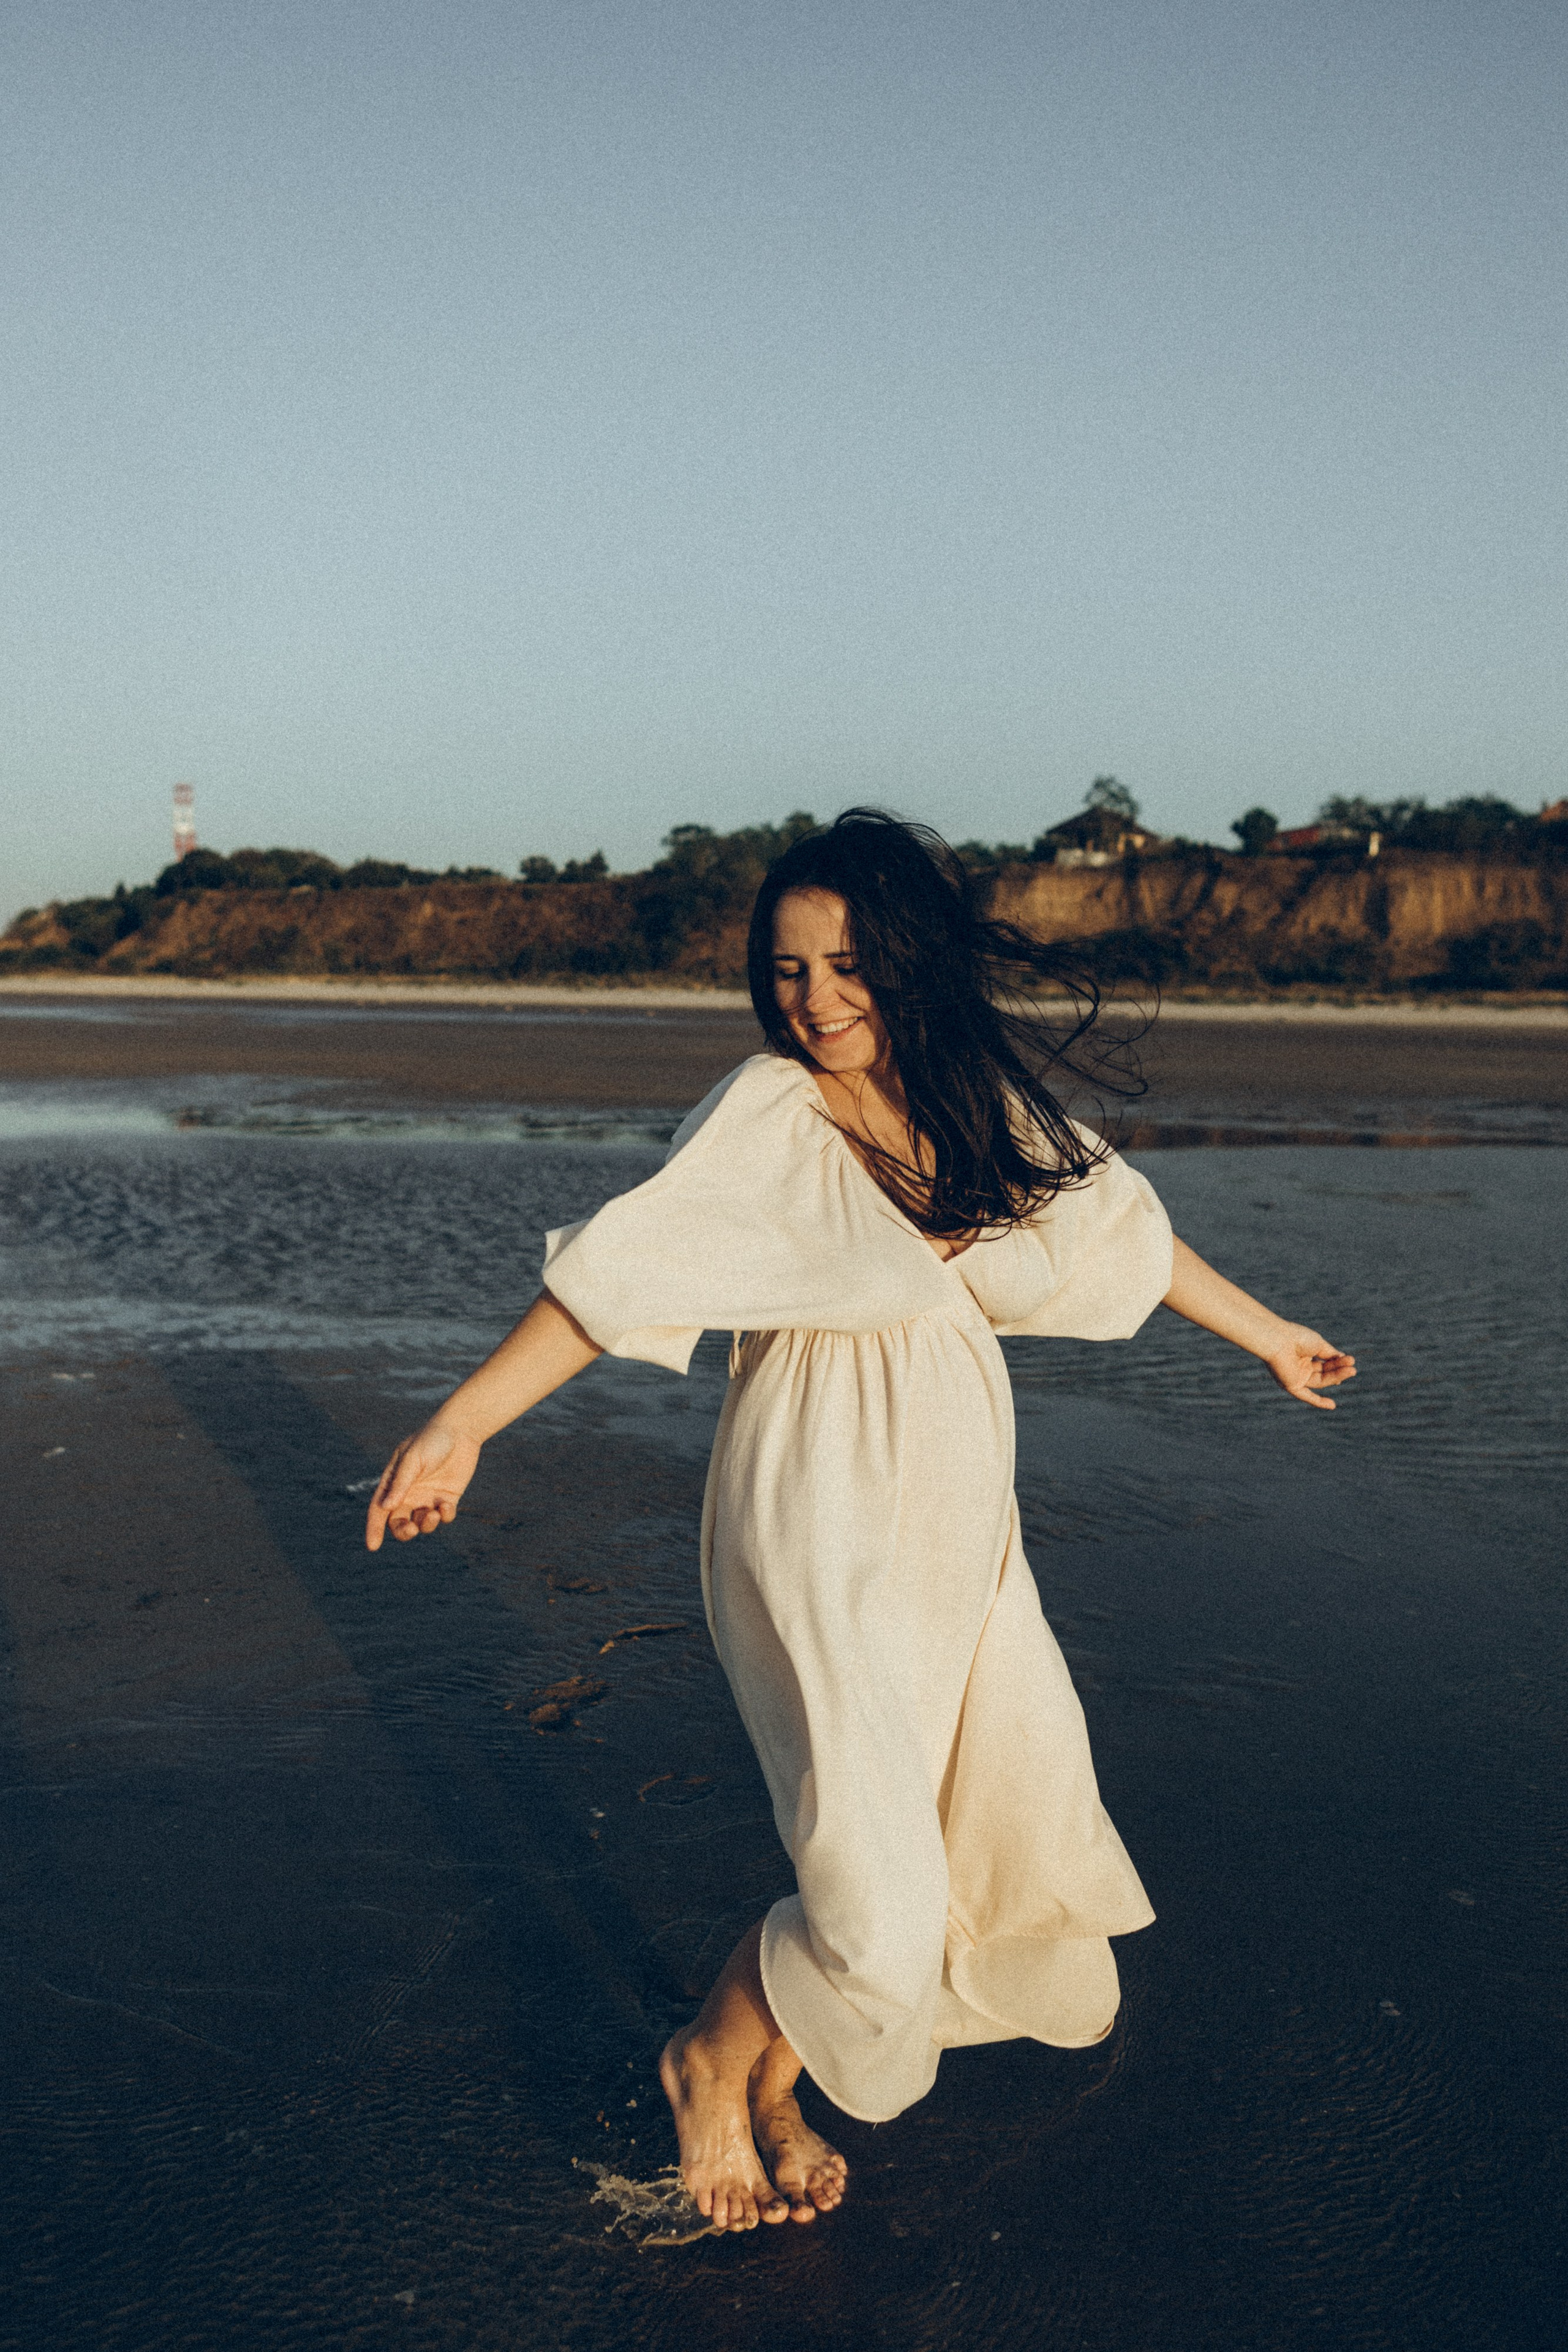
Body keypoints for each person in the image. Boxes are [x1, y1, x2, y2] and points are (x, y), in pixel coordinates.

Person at [364, 810, 1355, 2234]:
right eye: (784, 969)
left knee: (967, 1824)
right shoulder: (768, 1109)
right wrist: (460, 1423)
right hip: (818, 1503)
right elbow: (619, 1273)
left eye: (844, 967)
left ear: (909, 964)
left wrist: (1269, 1336)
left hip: (959, 1519)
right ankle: (710, 2058)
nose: (813, 998)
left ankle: (778, 2080)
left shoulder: (972, 1107)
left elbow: (1116, 1230)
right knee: (879, 1888)